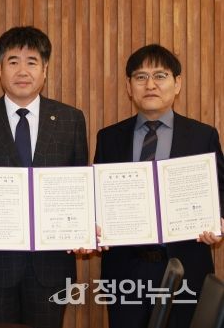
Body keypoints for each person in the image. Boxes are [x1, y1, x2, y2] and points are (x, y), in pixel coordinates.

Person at [0, 26, 88, 328]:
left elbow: (81, 183)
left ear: (45, 70)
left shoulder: (70, 119)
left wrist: (81, 229)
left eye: (32, 62)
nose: (22, 71)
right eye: (13, 61)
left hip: (52, 263)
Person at [94, 44, 224, 328]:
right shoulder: (109, 138)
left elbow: (221, 194)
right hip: (126, 272)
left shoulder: (202, 136)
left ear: (177, 84)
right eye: (140, 77)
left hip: (187, 268)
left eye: (160, 76)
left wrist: (219, 223)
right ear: (129, 87)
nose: (150, 85)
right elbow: (96, 199)